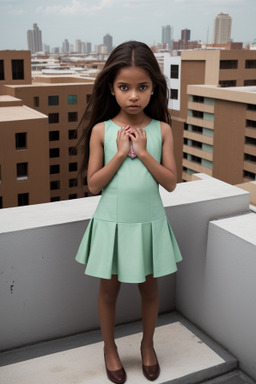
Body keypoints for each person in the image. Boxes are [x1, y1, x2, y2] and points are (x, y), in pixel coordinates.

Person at [75, 40, 182, 383]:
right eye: (124, 87)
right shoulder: (101, 131)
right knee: (109, 291)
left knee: (150, 290)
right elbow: (94, 185)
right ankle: (110, 349)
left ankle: (147, 345)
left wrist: (144, 152)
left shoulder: (162, 130)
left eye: (142, 87)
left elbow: (170, 183)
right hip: (113, 224)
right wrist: (121, 152)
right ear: (111, 88)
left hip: (148, 223)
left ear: (153, 89)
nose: (133, 95)